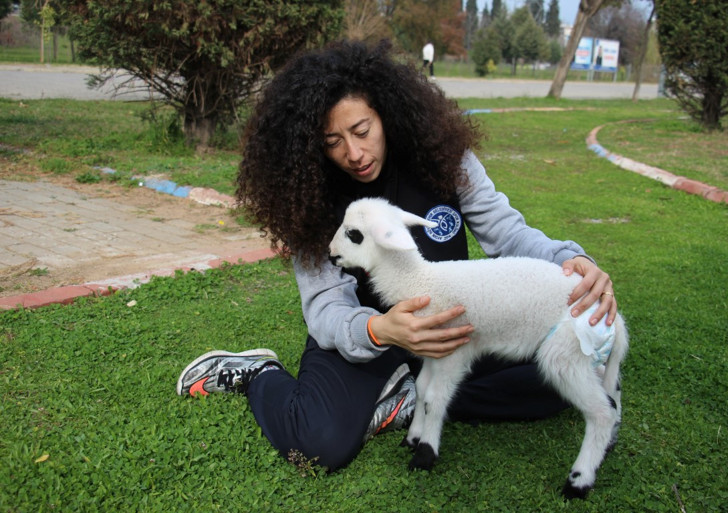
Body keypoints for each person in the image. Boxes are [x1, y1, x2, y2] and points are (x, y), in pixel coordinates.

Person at [176, 40, 618, 472]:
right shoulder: (308, 195)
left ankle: (408, 394)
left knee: (560, 379)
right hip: (367, 335)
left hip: (448, 335)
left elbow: (507, 233)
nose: (353, 153)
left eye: (362, 130)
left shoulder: (443, 158)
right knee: (318, 443)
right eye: (332, 141)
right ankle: (259, 374)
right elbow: (325, 305)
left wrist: (571, 258)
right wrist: (379, 330)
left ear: (386, 114)